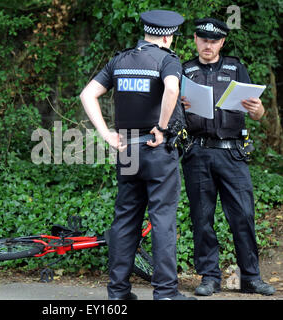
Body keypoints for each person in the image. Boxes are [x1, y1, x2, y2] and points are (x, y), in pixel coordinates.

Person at [80, 9, 195, 300]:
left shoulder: (120, 60)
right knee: (163, 220)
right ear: (168, 35)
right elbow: (172, 88)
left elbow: (87, 94)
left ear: (146, 32)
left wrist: (106, 134)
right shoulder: (167, 60)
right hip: (157, 151)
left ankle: (118, 292)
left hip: (127, 151)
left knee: (125, 221)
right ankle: (166, 292)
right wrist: (162, 126)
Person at [181, 18, 275, 296]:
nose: (208, 45)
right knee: (202, 217)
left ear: (221, 42)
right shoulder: (184, 70)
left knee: (243, 216)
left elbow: (258, 114)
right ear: (195, 40)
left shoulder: (236, 68)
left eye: (214, 41)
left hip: (233, 154)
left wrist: (257, 110)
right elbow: (170, 113)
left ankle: (250, 277)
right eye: (203, 39)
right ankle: (210, 277)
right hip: (197, 152)